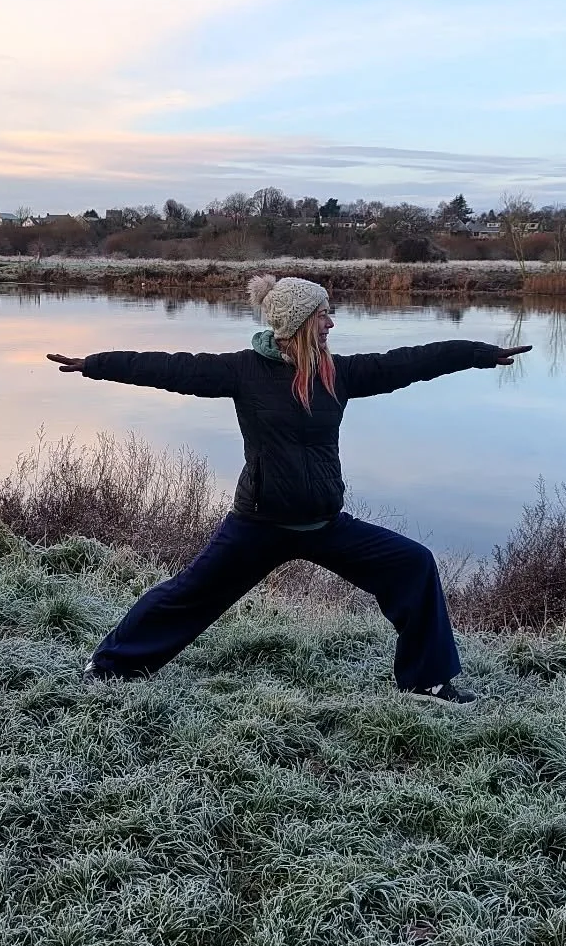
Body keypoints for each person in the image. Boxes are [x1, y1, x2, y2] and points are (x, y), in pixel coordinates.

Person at [47, 274, 530, 704]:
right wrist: (95, 363)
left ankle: (429, 681)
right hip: (259, 523)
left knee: (414, 564)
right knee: (188, 595)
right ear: (299, 322)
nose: (332, 324)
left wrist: (477, 355)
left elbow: (412, 361)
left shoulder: (337, 374)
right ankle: (109, 667)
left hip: (326, 523)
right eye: (324, 315)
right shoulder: (243, 371)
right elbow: (169, 368)